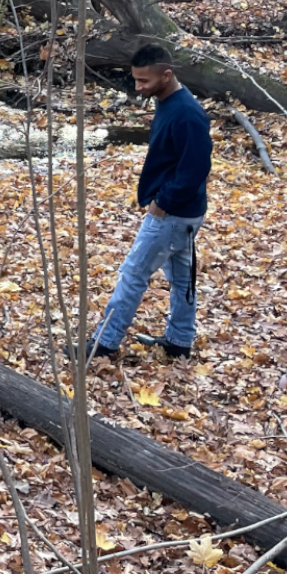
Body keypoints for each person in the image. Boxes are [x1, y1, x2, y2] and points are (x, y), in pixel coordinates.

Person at [86, 44, 213, 363]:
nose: (138, 87)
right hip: (184, 214)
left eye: (144, 81)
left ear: (166, 75)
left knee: (133, 273)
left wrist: (162, 203)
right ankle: (180, 340)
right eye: (135, 80)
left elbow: (196, 169)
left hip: (173, 214)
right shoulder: (168, 102)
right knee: (183, 278)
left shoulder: (188, 114)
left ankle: (105, 343)